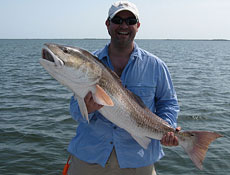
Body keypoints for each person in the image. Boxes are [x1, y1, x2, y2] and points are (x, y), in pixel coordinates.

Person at [66, 1, 180, 175]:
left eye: (130, 20)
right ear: (107, 24)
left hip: (138, 160)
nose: (124, 26)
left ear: (138, 25)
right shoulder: (88, 63)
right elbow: (75, 110)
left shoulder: (156, 66)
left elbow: (168, 103)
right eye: (117, 20)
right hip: (90, 157)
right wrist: (86, 109)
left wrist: (168, 128)